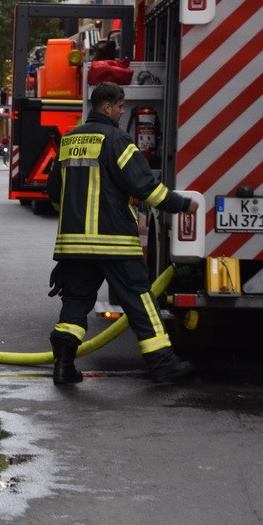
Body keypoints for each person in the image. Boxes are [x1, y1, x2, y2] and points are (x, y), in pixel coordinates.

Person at [45, 81, 199, 385]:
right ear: (107, 107)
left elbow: (54, 192)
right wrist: (181, 204)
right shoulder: (117, 140)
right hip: (113, 241)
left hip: (73, 244)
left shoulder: (68, 141)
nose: (121, 110)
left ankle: (63, 367)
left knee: (75, 303)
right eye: (119, 105)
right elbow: (145, 187)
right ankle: (163, 364)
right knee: (141, 301)